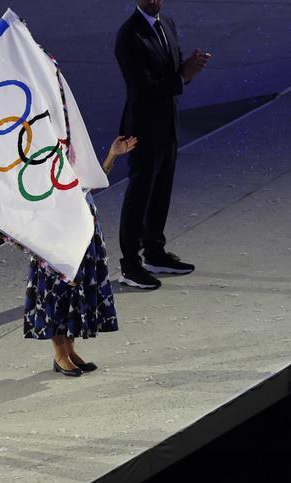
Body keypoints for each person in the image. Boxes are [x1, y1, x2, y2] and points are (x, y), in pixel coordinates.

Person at [114, 0, 210, 289]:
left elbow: (171, 73)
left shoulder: (166, 23)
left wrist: (186, 70)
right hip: (142, 128)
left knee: (161, 189)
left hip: (167, 123)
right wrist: (183, 76)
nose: (155, 0)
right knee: (140, 194)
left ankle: (154, 252)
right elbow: (143, 88)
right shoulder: (129, 36)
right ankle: (130, 264)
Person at [24, 137, 131, 376]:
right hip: (57, 245)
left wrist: (112, 154)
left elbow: (87, 186)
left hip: (84, 241)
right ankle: (60, 354)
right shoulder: (40, 173)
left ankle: (70, 351)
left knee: (73, 299)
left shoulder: (66, 164)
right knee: (56, 298)